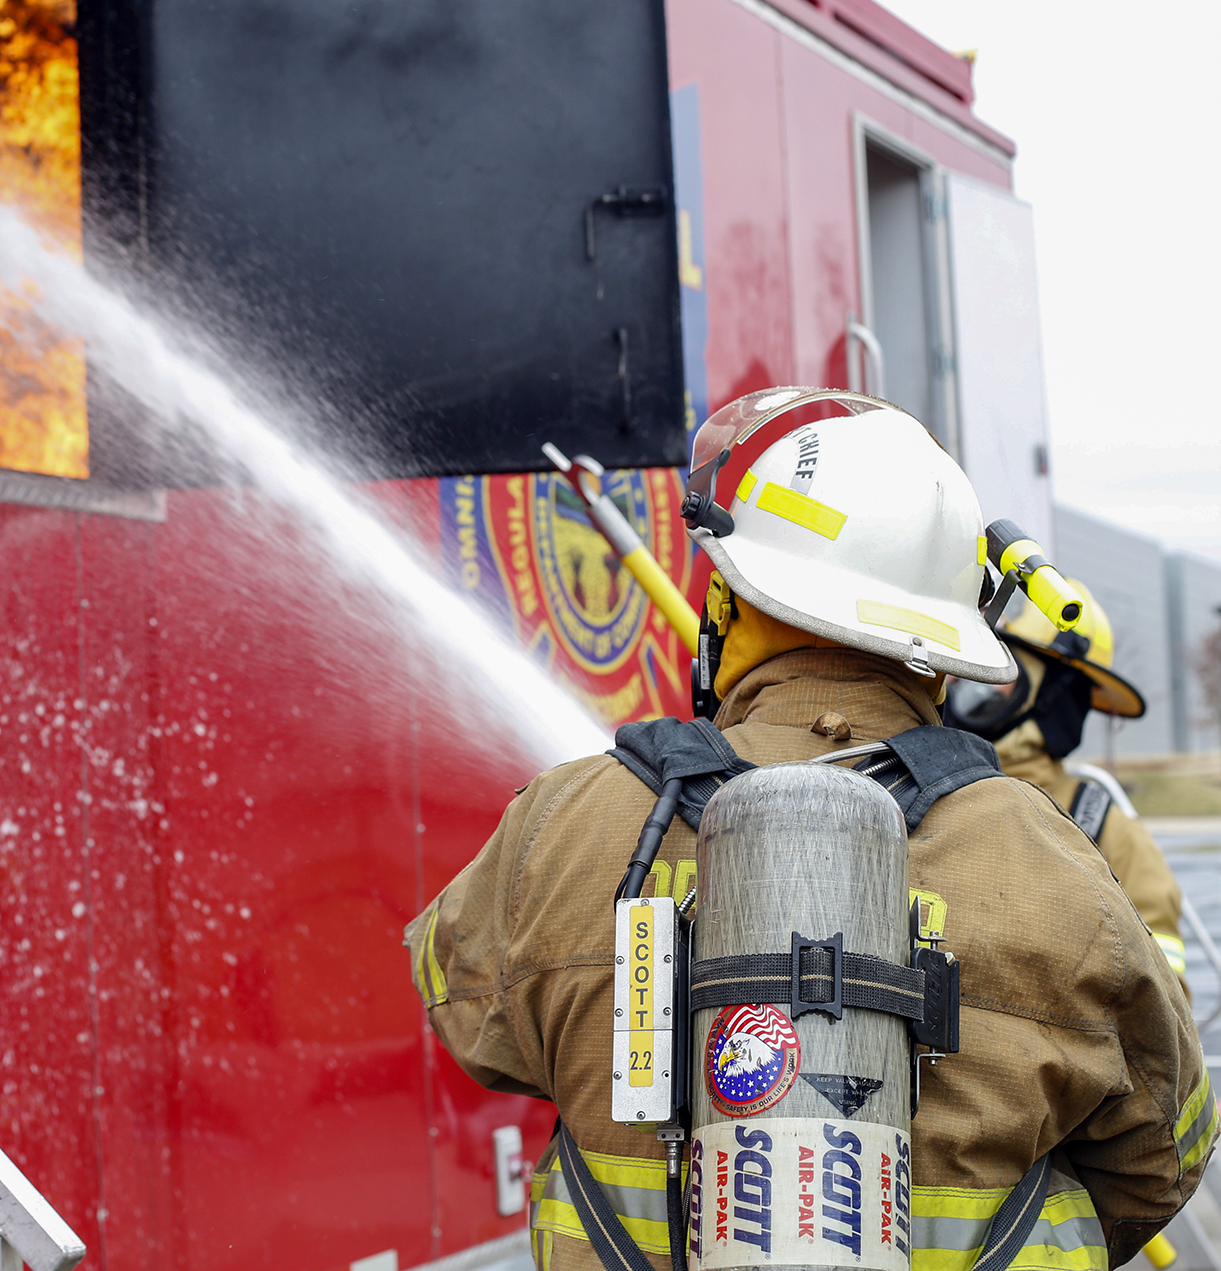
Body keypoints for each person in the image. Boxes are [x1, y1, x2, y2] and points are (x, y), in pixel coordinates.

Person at [406, 389, 1213, 1271]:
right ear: (948, 630)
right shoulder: (1054, 864)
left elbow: (459, 1005)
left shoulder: (563, 825)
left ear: (735, 598)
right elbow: (1165, 1152)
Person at [944, 584, 1187, 983]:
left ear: (1052, 698)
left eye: (1006, 671)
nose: (977, 684)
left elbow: (1162, 1006)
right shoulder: (919, 797)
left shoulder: (1109, 836)